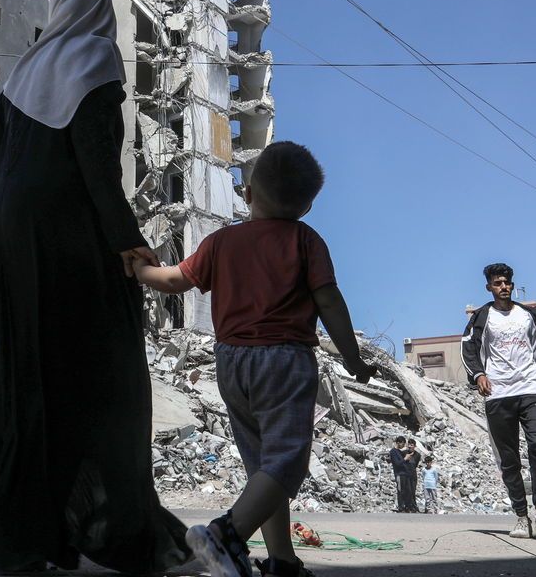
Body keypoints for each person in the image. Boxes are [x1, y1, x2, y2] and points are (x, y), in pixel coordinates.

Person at [0, 0, 189, 573]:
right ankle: (109, 530)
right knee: (98, 369)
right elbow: (97, 166)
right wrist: (128, 243)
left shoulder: (22, 73)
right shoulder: (96, 57)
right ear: (100, 11)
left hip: (8, 235)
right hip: (64, 233)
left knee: (3, 367)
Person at [133, 141, 375, 577]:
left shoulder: (220, 242)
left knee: (265, 469)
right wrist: (354, 360)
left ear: (247, 193)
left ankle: (281, 560)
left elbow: (172, 280)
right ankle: (225, 534)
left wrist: (139, 269)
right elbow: (330, 302)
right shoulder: (306, 240)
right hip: (284, 362)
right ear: (307, 206)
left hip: (230, 362)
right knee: (287, 463)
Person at [461, 262, 536, 540]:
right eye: (497, 283)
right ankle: (520, 516)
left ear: (512, 284)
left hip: (530, 390)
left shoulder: (528, 316)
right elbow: (468, 347)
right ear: (489, 287)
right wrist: (478, 374)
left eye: (506, 282)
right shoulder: (482, 316)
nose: (503, 287)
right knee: (509, 459)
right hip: (499, 394)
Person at [387, 437, 409, 512]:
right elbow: (397, 463)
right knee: (400, 490)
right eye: (403, 443)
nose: (403, 445)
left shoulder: (399, 451)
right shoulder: (393, 452)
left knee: (405, 490)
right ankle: (401, 507)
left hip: (405, 474)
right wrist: (405, 459)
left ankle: (405, 506)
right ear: (399, 443)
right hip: (399, 474)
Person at [403, 438, 422, 512]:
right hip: (405, 475)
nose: (410, 446)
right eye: (409, 445)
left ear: (415, 446)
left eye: (412, 445)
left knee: (413, 490)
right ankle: (407, 506)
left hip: (413, 475)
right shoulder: (404, 453)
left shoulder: (418, 455)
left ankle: (413, 506)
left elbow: (415, 465)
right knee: (407, 490)